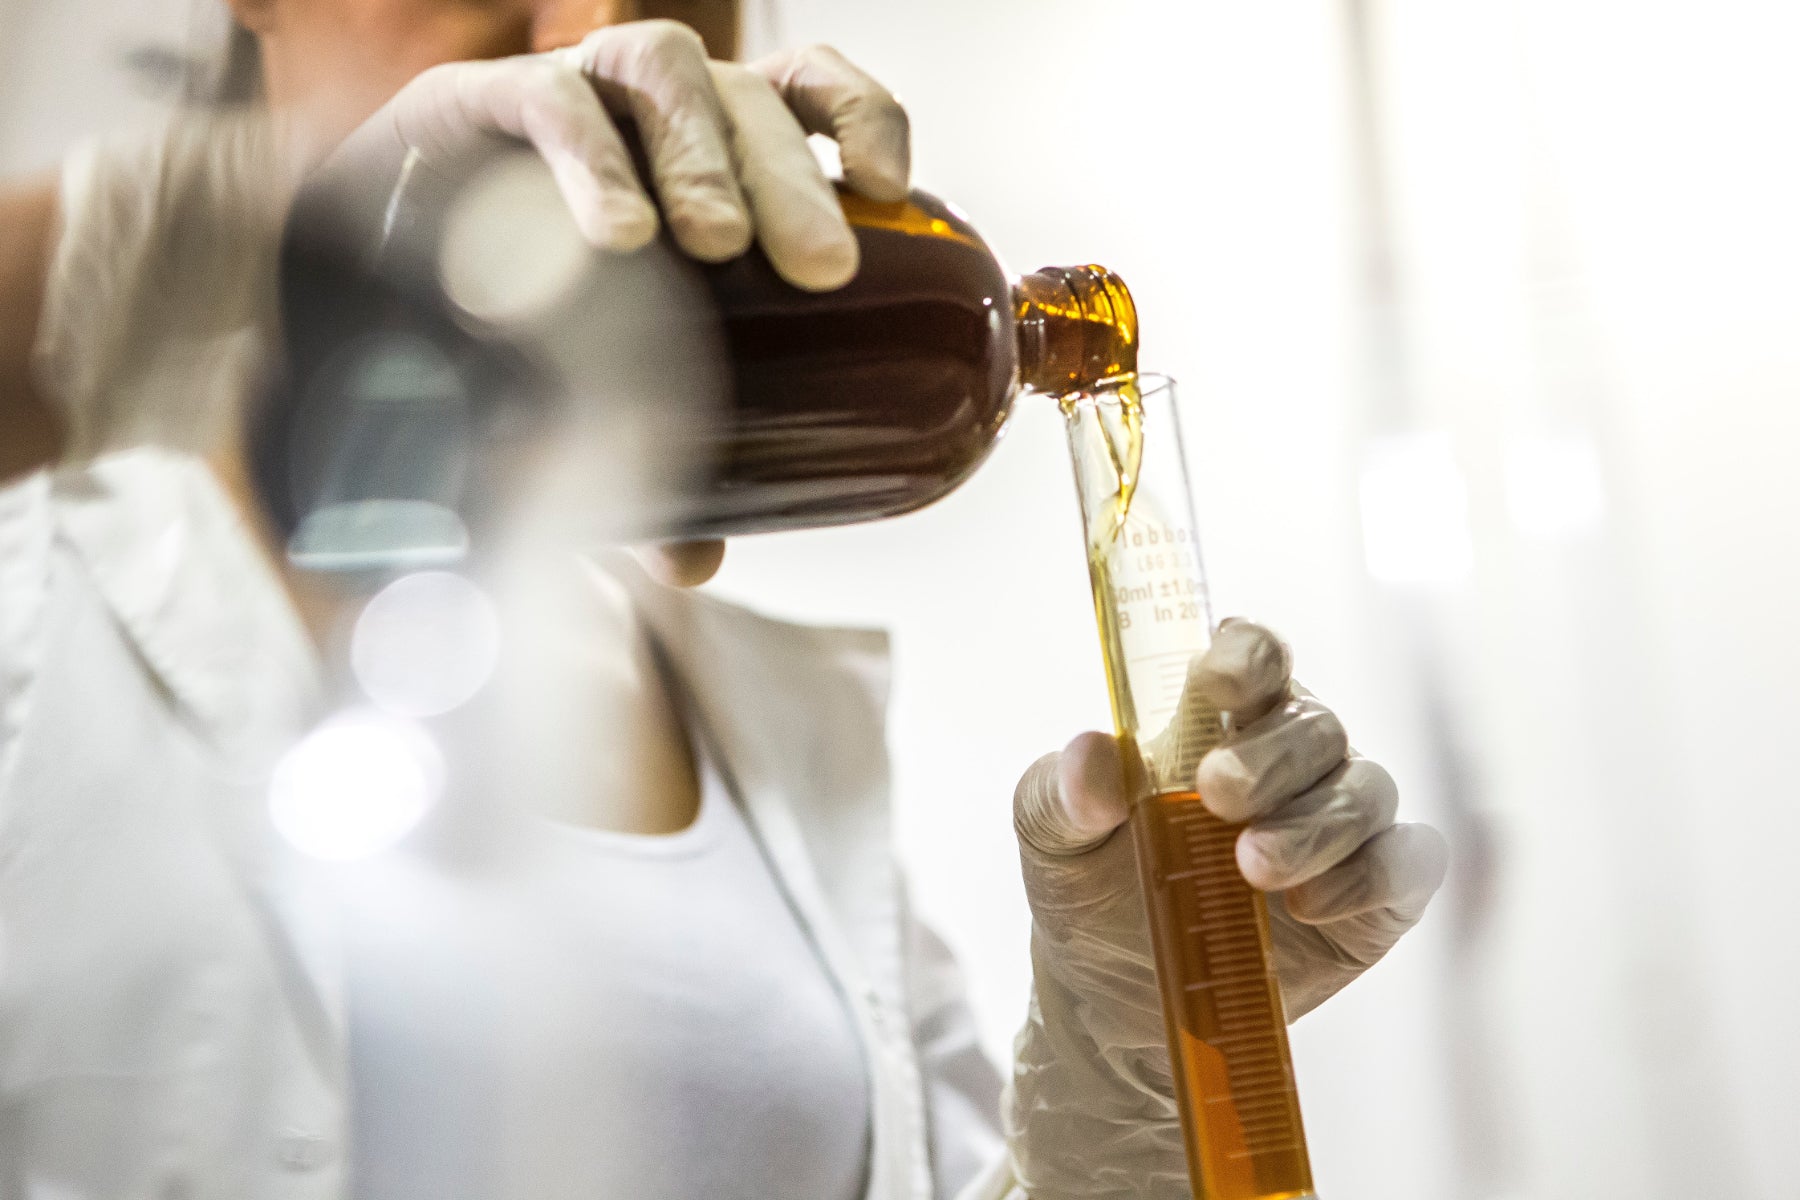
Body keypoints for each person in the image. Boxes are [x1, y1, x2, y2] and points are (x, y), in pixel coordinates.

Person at [0, 2, 1450, 1197]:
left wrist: (1126, 1081)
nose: (587, 26)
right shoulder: (35, 580)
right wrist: (277, 237)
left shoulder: (775, 731)